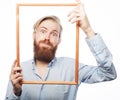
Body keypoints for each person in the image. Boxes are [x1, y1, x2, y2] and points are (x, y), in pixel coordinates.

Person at [5, 0, 117, 100]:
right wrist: (16, 92)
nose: (47, 37)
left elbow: (108, 73)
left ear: (59, 40)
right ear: (34, 36)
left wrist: (88, 29)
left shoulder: (72, 67)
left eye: (54, 34)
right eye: (43, 31)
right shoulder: (19, 71)